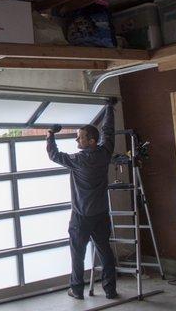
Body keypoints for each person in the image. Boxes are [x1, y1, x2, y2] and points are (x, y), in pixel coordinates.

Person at [46, 101, 118, 300]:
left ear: (92, 141)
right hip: (102, 213)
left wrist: (50, 135)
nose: (77, 138)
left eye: (81, 137)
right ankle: (110, 290)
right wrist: (109, 109)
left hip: (82, 216)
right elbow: (109, 131)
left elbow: (53, 155)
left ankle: (77, 290)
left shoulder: (78, 161)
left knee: (77, 254)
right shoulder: (105, 153)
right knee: (105, 252)